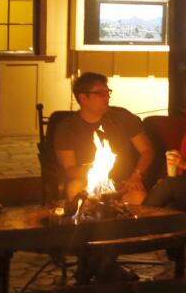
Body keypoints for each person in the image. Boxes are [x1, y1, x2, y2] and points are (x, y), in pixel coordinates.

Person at [54, 72, 155, 205]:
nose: (107, 97)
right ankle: (86, 223)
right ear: (83, 98)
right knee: (75, 187)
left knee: (138, 197)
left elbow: (146, 150)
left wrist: (136, 176)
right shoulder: (67, 128)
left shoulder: (122, 117)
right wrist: (96, 170)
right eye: (100, 93)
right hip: (88, 185)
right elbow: (70, 170)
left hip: (124, 184)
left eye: (108, 92)